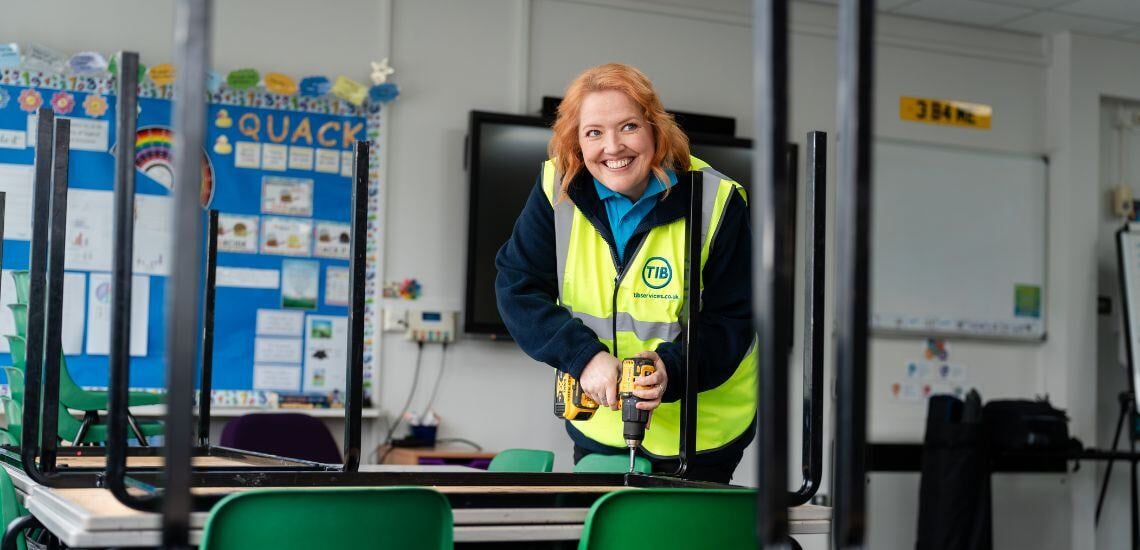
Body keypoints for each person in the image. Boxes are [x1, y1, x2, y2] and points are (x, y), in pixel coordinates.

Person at [494, 63, 756, 484]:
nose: (612, 147)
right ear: (576, 142)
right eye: (593, 132)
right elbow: (517, 285)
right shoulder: (556, 188)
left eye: (629, 126)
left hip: (700, 433)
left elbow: (734, 319)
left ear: (656, 130)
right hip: (602, 427)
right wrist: (585, 357)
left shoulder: (716, 200)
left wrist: (672, 370)